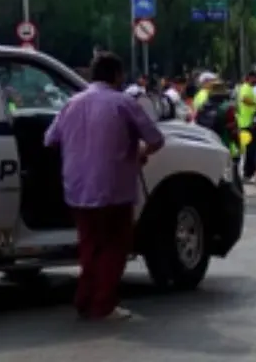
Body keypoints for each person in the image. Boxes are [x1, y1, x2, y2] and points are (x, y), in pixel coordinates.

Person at [44, 51, 165, 321]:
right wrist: (140, 153)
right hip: (114, 189)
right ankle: (103, 304)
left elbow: (50, 139)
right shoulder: (123, 103)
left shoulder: (71, 103)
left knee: (89, 246)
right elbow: (156, 139)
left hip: (77, 189)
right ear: (118, 75)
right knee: (115, 246)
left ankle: (85, 299)